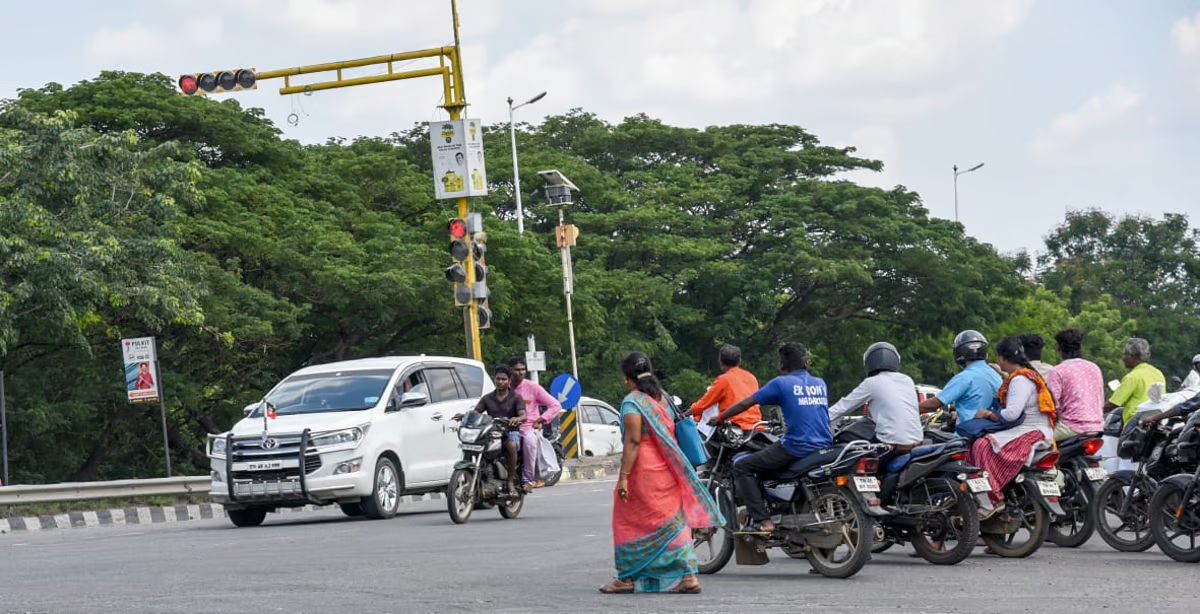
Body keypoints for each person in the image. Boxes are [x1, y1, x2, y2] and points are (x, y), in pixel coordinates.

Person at [600, 352, 723, 594]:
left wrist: (623, 477)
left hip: (644, 471)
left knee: (628, 521)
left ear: (626, 378)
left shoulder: (632, 401)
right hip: (670, 467)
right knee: (674, 523)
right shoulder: (663, 397)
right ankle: (689, 576)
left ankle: (628, 578)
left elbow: (633, 442)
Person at [714, 342, 831, 533]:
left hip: (796, 447)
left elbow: (746, 402)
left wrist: (720, 417)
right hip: (824, 445)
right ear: (806, 363)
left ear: (782, 365)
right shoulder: (820, 383)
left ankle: (763, 521)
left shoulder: (781, 383)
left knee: (742, 466)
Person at [967, 336, 1057, 519]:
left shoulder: (1020, 380)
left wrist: (987, 414)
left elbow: (1011, 414)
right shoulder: (1026, 375)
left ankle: (991, 499)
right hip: (1038, 430)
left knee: (981, 445)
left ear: (1001, 358)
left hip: (1030, 431)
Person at [828, 342, 924, 456]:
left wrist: (817, 420)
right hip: (918, 445)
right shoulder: (907, 380)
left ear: (869, 363)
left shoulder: (871, 383)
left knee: (845, 445)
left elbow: (842, 407)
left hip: (892, 448)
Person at [455, 365, 526, 496]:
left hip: (508, 432)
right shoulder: (487, 398)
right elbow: (476, 412)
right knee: (473, 446)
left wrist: (517, 419)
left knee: (511, 445)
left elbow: (523, 415)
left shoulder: (516, 398)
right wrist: (465, 416)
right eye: (498, 379)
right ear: (494, 380)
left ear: (509, 381)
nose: (500, 381)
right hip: (491, 433)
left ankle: (510, 481)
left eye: (504, 379)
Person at [919, 330, 1003, 428]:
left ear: (959, 352)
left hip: (969, 433)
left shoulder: (964, 377)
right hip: (993, 431)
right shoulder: (996, 375)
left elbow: (934, 404)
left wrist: (908, 409)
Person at [509, 356, 562, 491]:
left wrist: (542, 419)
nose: (520, 372)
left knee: (529, 442)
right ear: (510, 371)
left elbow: (555, 405)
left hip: (528, 428)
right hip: (507, 427)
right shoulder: (504, 386)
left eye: (523, 369)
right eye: (516, 370)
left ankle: (528, 479)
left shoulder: (532, 387)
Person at [1044, 328, 1105, 441]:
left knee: (1033, 442)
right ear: (1080, 347)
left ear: (1060, 349)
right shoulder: (1094, 367)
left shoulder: (1057, 371)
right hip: (1098, 427)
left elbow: (1052, 404)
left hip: (1071, 428)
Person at [689, 344, 761, 431]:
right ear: (739, 361)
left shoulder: (723, 380)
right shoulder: (751, 378)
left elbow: (701, 405)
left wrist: (683, 414)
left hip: (734, 429)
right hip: (756, 427)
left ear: (720, 361)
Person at [1103, 338, 1166, 426]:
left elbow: (1113, 404)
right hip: (1156, 422)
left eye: (1125, 354)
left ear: (1134, 356)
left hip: (1135, 424)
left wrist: (1096, 412)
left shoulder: (1132, 377)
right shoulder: (1158, 373)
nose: (1123, 358)